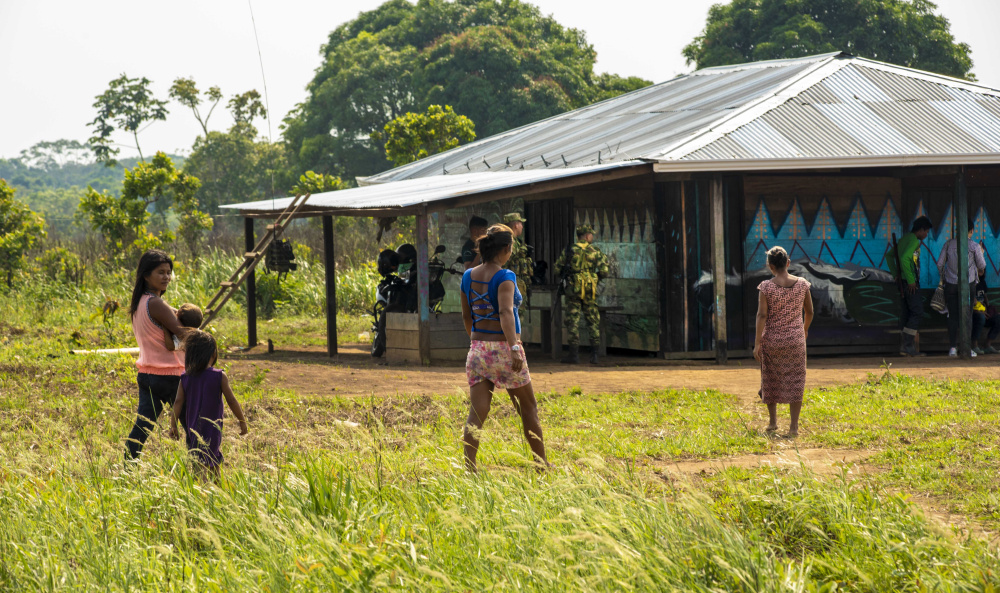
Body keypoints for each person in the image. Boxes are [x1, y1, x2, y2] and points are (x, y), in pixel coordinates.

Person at [460, 224, 548, 472]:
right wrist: (514, 348)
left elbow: (467, 316)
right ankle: (541, 464)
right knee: (528, 409)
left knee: (477, 412)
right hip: (505, 350)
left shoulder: (468, 276)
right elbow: (505, 312)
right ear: (507, 248)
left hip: (477, 350)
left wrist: (478, 345)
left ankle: (469, 467)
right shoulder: (506, 277)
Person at [124, 250, 192, 462]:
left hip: (147, 374)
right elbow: (184, 335)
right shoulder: (156, 303)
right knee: (193, 427)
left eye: (169, 272)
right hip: (171, 376)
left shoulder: (140, 303)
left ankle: (127, 469)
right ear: (146, 275)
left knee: (142, 427)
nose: (166, 277)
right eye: (160, 272)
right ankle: (204, 470)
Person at [753, 246, 814, 438]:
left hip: (772, 340)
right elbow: (810, 312)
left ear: (770, 266)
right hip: (795, 341)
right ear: (788, 263)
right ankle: (794, 427)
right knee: (797, 381)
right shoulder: (803, 284)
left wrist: (757, 343)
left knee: (770, 379)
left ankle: (773, 423)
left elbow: (762, 315)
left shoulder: (766, 287)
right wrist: (803, 330)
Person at [169, 330, 249, 472]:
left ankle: (201, 487)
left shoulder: (186, 378)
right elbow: (231, 400)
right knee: (212, 460)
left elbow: (178, 402)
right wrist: (242, 421)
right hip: (212, 428)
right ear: (213, 354)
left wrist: (173, 425)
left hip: (193, 427)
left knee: (199, 460)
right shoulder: (219, 376)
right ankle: (213, 489)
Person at [555, 224, 609, 365]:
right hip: (590, 290)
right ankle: (595, 355)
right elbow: (604, 271)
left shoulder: (569, 250)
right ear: (586, 235)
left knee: (573, 321)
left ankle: (574, 355)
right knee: (593, 320)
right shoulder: (595, 251)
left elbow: (557, 269)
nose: (592, 237)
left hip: (573, 289)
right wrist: (593, 277)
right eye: (591, 234)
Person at [936, 221, 985, 357]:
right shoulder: (974, 246)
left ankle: (952, 348)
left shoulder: (948, 244)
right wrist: (981, 253)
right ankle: (966, 348)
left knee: (952, 316)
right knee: (967, 316)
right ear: (971, 230)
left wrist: (944, 277)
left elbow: (940, 264)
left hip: (950, 285)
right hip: (968, 286)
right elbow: (982, 265)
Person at [891, 216, 933, 356]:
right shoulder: (914, 241)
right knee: (917, 312)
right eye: (926, 232)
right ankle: (907, 346)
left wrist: (895, 274)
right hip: (910, 284)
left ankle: (906, 347)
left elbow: (889, 256)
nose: (926, 235)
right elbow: (904, 259)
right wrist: (910, 281)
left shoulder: (904, 239)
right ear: (921, 230)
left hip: (902, 282)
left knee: (907, 312)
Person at [502, 212, 533, 299]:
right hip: (511, 285)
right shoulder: (509, 242)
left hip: (517, 284)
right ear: (516, 225)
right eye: (521, 224)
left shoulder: (516, 242)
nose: (522, 227)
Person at [972, 277, 999, 354]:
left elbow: (985, 297)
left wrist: (990, 310)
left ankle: (987, 345)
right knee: (980, 317)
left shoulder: (982, 282)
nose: (981, 270)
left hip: (984, 311)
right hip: (972, 314)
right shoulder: (969, 283)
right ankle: (974, 346)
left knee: (998, 319)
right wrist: (977, 310)